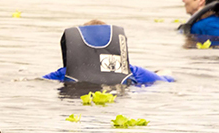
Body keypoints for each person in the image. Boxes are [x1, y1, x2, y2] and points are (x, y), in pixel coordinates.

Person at [42, 20, 174, 85]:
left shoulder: (68, 72)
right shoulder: (129, 70)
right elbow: (165, 82)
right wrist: (166, 73)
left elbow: (40, 82)